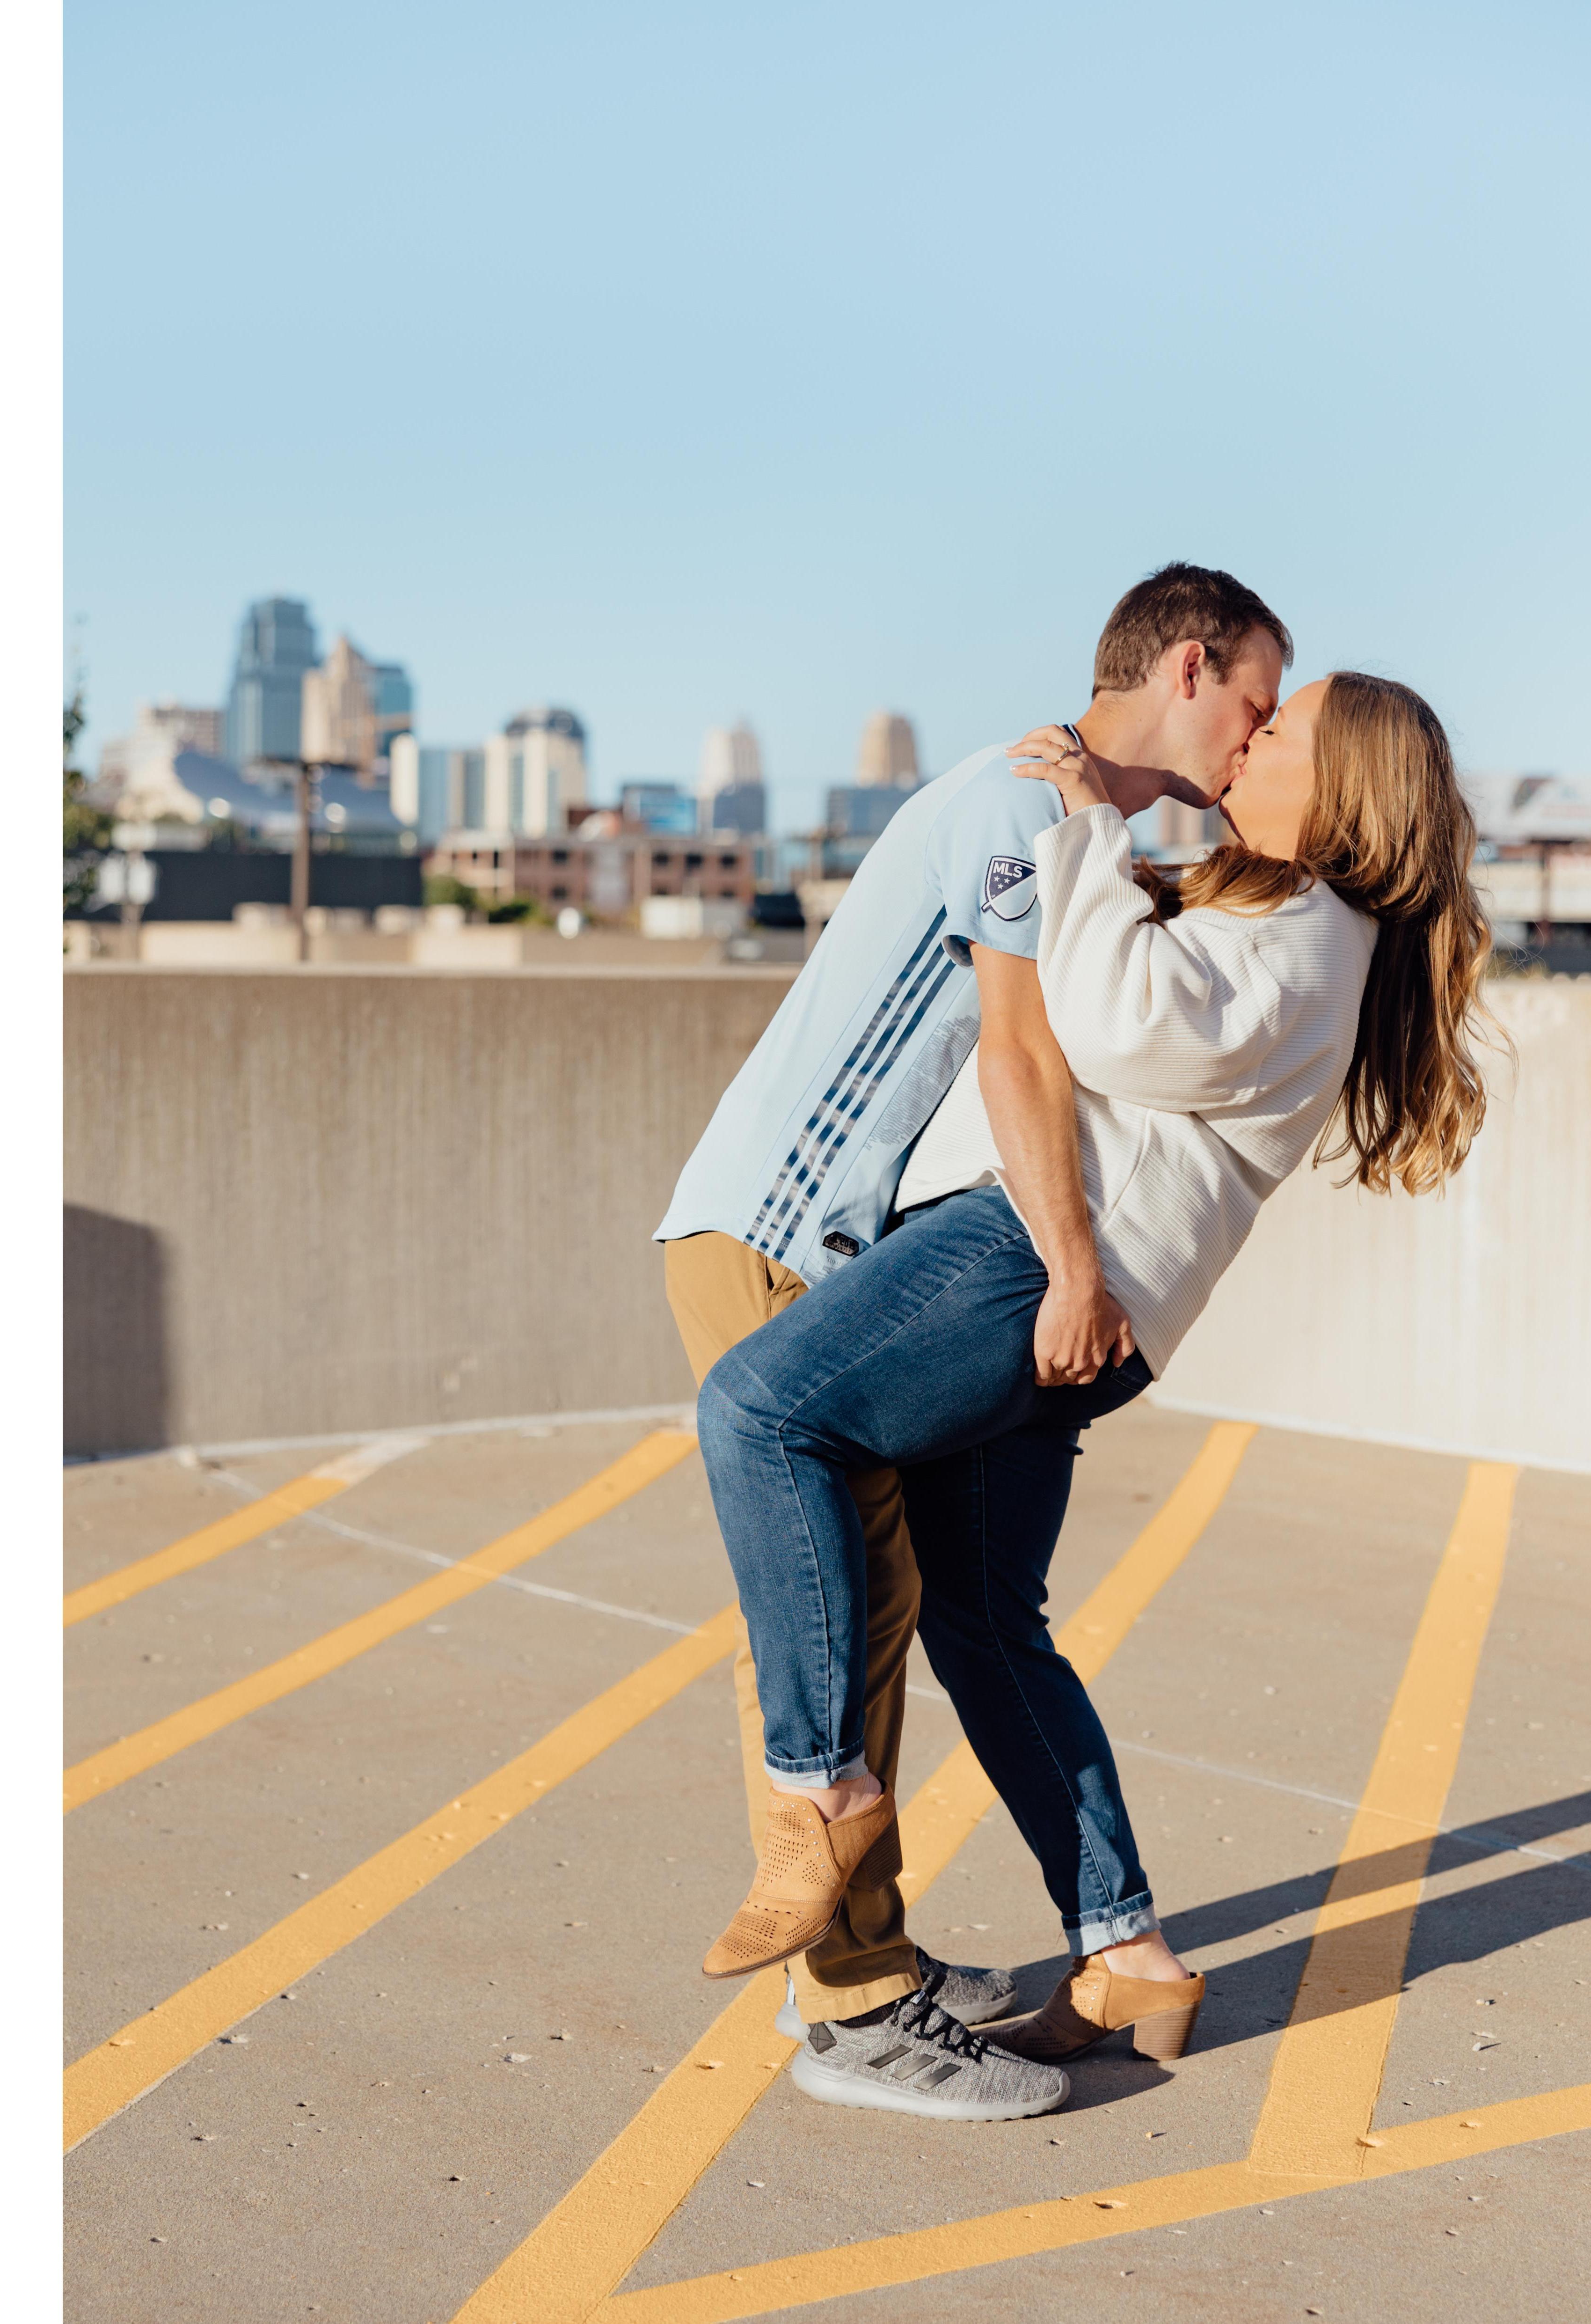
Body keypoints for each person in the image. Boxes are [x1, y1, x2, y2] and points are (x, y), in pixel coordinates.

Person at [692, 669, 1496, 2119]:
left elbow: (1120, 1028)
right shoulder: (1281, 916)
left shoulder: (1319, 931)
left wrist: (1072, 819)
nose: (1253, 738)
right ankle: (1126, 1952)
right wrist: (1112, 815)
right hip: (1077, 1298)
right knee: (987, 1624)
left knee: (763, 1410)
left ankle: (820, 1791)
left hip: (1030, 1265)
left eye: (1284, 730)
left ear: (1348, 790)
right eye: (1257, 712)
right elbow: (1124, 961)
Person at [657, 565, 1290, 2119]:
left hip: (826, 1245)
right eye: (1257, 709)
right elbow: (1016, 1057)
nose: (1258, 745)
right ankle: (856, 2009)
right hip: (778, 1238)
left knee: (873, 1608)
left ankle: (874, 1961)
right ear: (1190, 666)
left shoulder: (1077, 825)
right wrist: (1075, 1267)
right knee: (837, 1617)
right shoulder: (1022, 806)